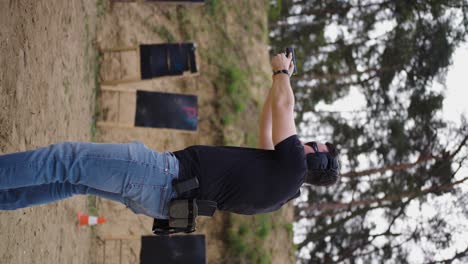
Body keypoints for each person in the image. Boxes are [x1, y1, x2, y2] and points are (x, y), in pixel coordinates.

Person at [0, 53, 340, 218]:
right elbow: (270, 126)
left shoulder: (293, 167)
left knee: (66, 160)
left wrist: (283, 72)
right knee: (70, 181)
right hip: (166, 200)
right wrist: (274, 81)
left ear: (315, 157)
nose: (304, 142)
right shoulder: (283, 188)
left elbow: (284, 108)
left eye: (312, 145)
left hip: (163, 177)